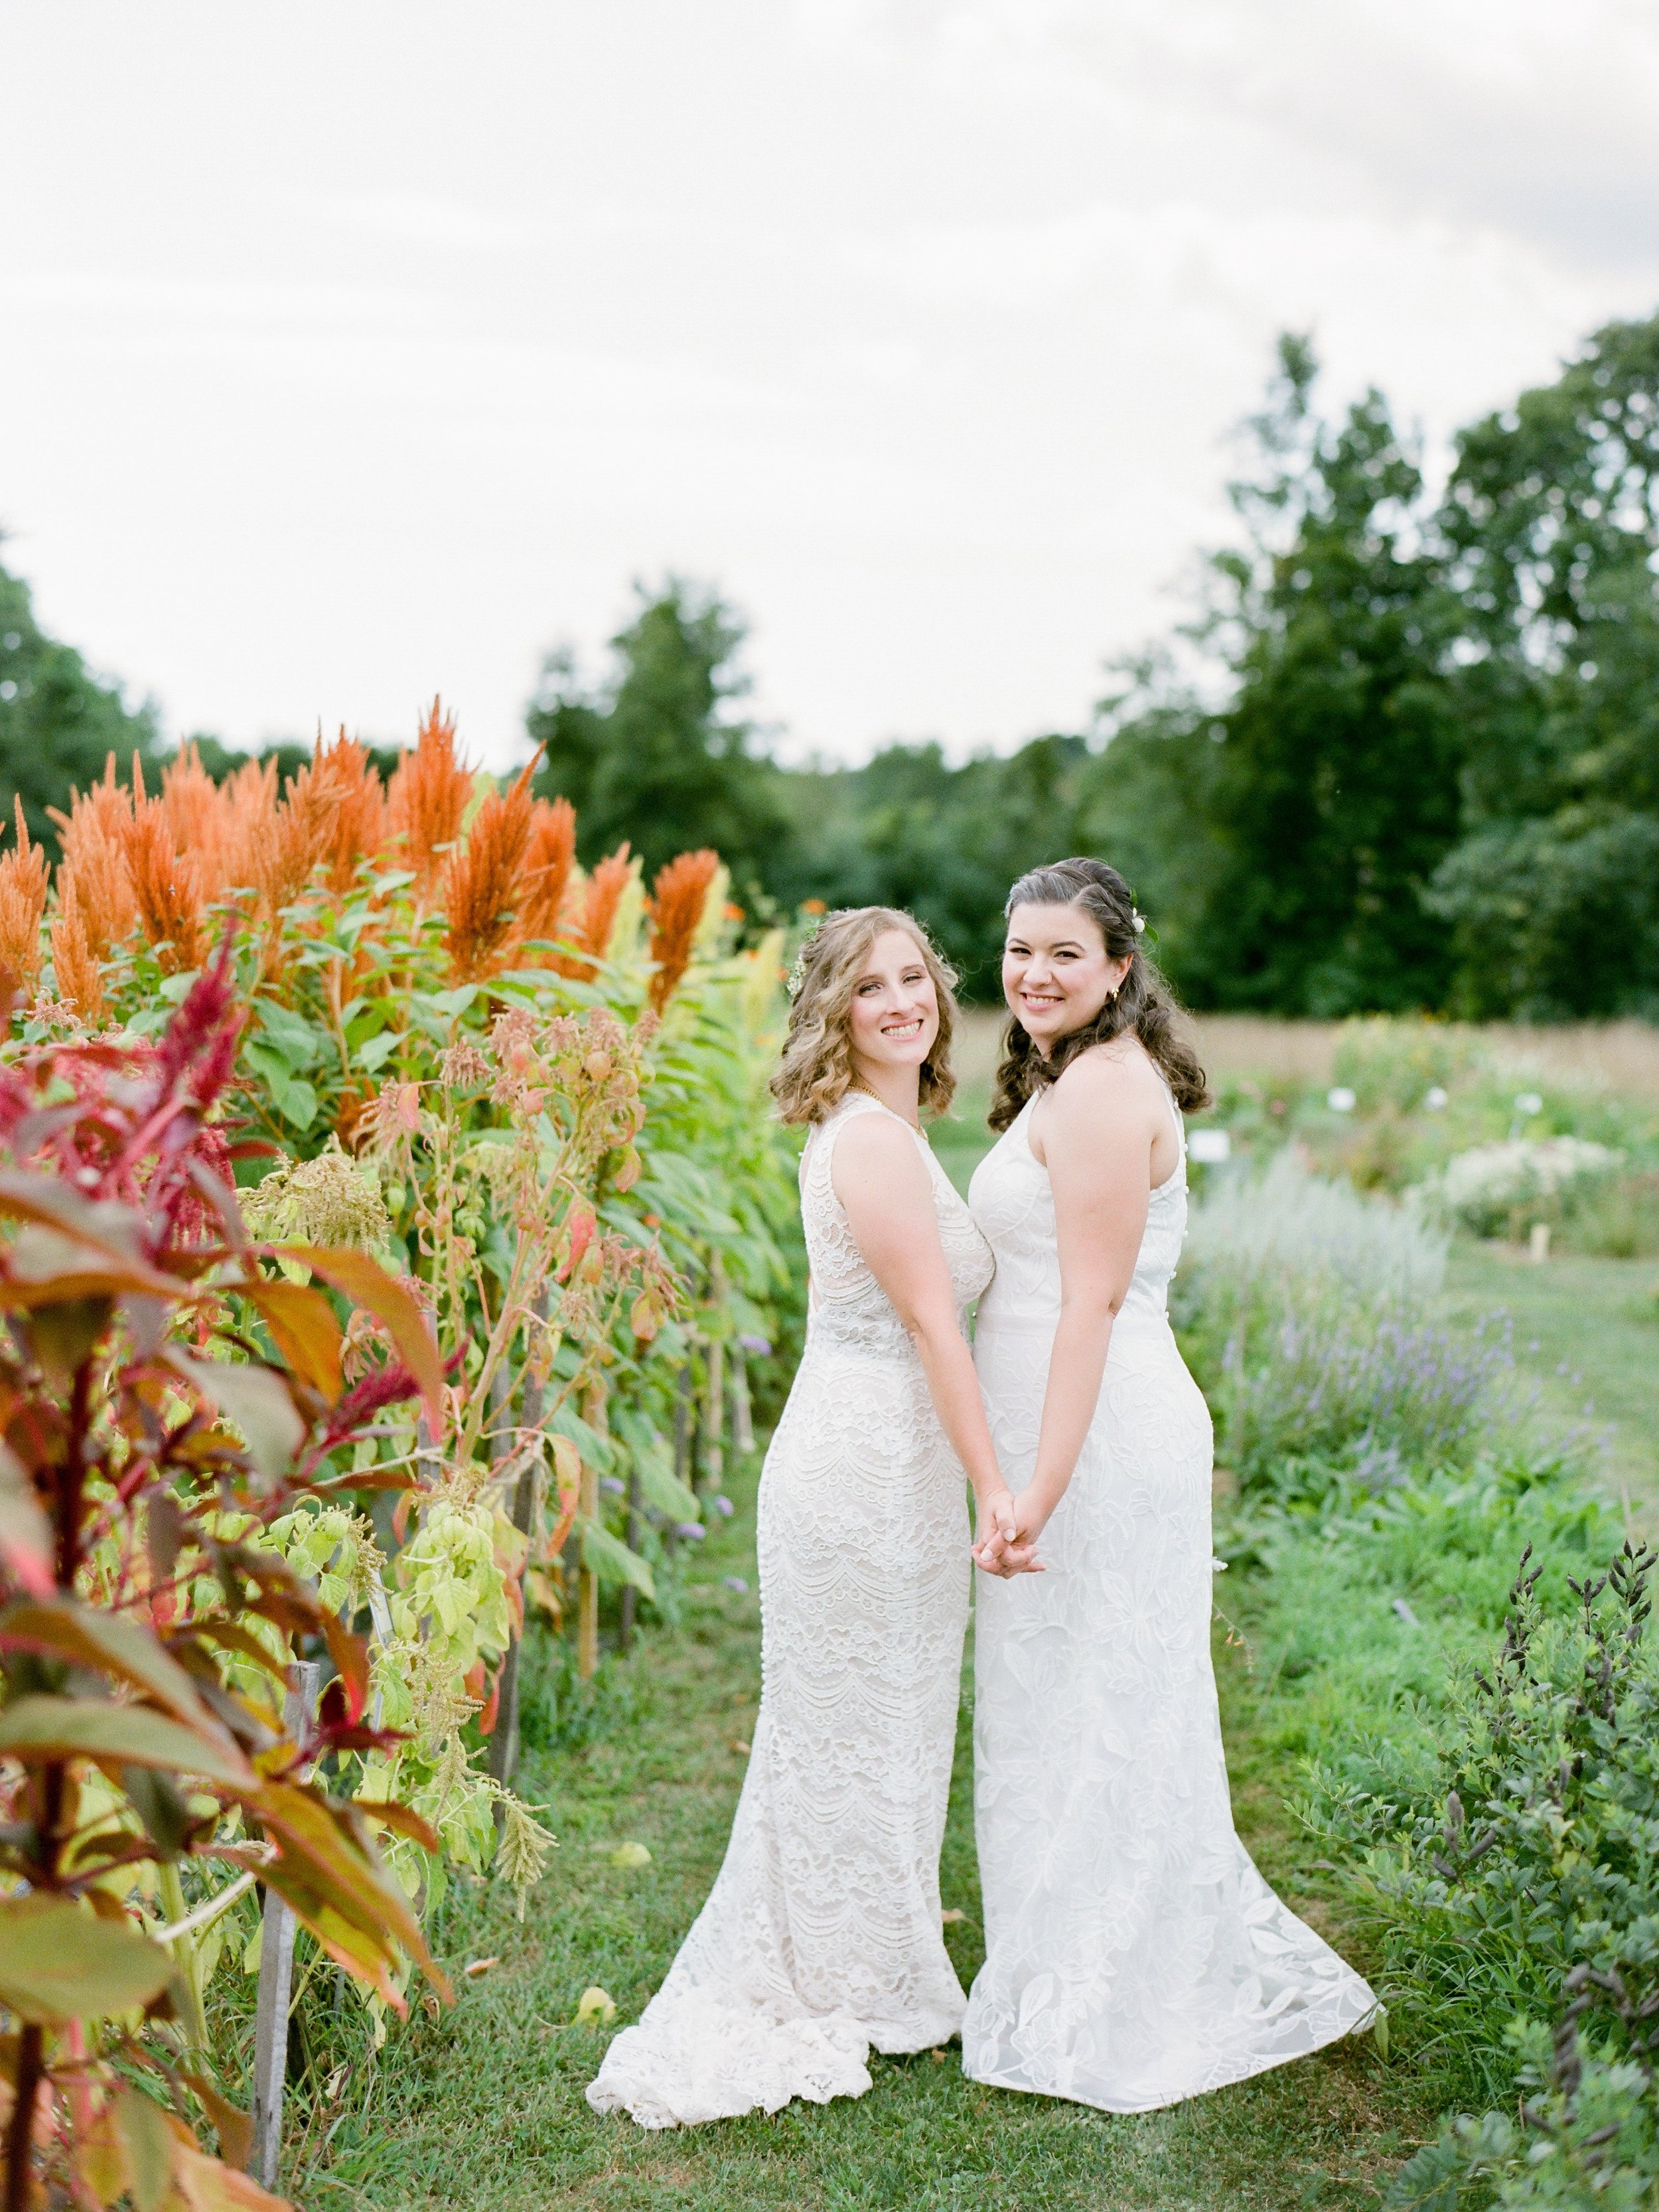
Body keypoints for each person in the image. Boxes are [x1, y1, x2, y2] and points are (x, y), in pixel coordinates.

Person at [589, 907, 1015, 2129]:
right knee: (856, 1717)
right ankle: (858, 1972)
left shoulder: (880, 1127)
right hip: (870, 1461)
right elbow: (936, 1325)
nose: (902, 1001)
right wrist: (995, 1482)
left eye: (914, 978)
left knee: (874, 1716)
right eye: (870, 986)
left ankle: (864, 1950)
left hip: (882, 1450)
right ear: (834, 1011)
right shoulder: (873, 1144)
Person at [964, 857, 1376, 2110]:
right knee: (1082, 1694)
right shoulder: (1086, 1074)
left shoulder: (1097, 1093)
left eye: (1064, 954)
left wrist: (1036, 1482)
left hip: (1090, 1432)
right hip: (1086, 1423)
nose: (1035, 973)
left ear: (1119, 968)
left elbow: (1086, 1303)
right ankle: (1088, 1954)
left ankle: (1098, 1988)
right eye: (1019, 950)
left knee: (1094, 1697)